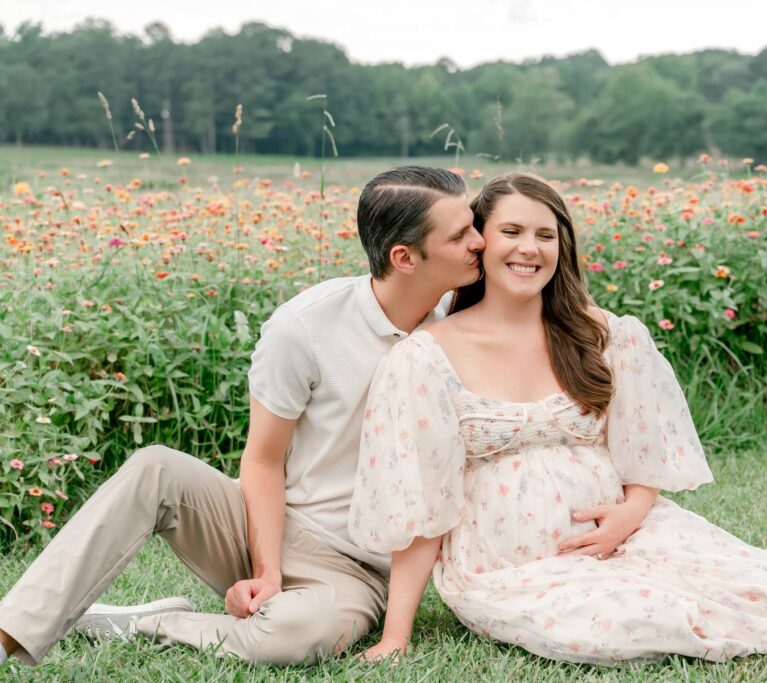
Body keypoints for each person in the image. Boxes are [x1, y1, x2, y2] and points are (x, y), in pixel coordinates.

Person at [349, 172, 767, 665]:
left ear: (563, 247)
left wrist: (630, 514)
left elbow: (641, 451)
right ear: (479, 242)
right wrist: (396, 635)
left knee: (751, 589)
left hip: (626, 535)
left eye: (546, 234)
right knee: (638, 622)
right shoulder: (425, 357)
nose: (530, 248)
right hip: (506, 566)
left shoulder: (603, 335)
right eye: (512, 232)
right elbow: (423, 500)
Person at [0, 166, 485, 668]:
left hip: (356, 571)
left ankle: (142, 622)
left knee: (292, 636)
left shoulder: (467, 329)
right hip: (271, 524)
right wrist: (267, 570)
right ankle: (9, 632)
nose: (480, 240)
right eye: (460, 234)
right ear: (404, 257)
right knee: (156, 467)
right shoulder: (305, 327)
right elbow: (262, 459)